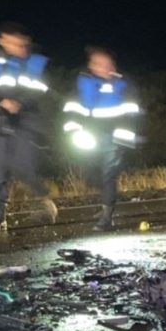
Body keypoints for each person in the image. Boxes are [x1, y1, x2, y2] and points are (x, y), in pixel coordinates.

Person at [0, 21, 58, 233]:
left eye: (18, 42)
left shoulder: (34, 63)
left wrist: (20, 103)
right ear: (1, 41)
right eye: (9, 42)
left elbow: (41, 89)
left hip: (25, 123)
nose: (14, 46)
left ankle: (43, 200)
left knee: (23, 165)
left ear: (25, 41)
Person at [63, 46, 141, 231]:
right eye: (97, 64)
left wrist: (124, 136)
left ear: (112, 65)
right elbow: (72, 108)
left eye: (106, 64)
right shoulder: (82, 82)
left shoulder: (123, 85)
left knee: (108, 175)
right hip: (89, 136)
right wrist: (73, 129)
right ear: (91, 65)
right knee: (91, 174)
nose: (102, 68)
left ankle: (107, 216)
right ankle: (105, 206)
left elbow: (132, 112)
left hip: (114, 138)